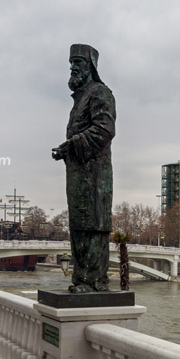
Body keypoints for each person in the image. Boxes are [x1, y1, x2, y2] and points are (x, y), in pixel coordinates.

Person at [52, 44, 116, 293]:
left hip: (95, 174)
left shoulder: (100, 92)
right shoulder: (81, 98)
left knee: (93, 225)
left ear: (89, 66)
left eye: (77, 63)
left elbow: (105, 129)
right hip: (78, 172)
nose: (72, 68)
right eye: (71, 63)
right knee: (79, 224)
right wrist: (66, 149)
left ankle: (95, 281)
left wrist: (73, 144)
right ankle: (81, 278)